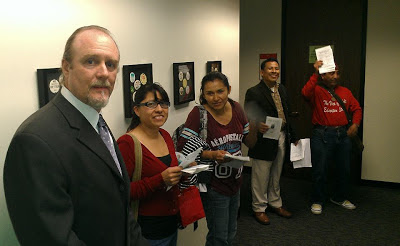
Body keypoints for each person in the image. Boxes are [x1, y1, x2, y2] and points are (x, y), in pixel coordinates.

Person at [3, 25, 148, 245]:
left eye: (111, 64)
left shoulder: (96, 122)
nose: (104, 72)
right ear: (66, 67)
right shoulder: (34, 140)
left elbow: (121, 210)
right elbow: (51, 239)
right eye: (91, 61)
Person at [177, 71, 257, 246]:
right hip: (214, 186)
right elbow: (182, 149)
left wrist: (255, 126)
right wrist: (211, 155)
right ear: (203, 95)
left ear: (228, 90)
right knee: (218, 236)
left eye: (220, 91)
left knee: (231, 232)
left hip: (235, 182)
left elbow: (249, 142)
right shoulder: (199, 114)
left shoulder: (236, 108)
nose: (215, 98)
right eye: (209, 93)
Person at [117, 83, 186, 246]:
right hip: (146, 231)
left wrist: (184, 171)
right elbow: (121, 191)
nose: (159, 109)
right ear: (136, 110)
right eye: (150, 104)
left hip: (170, 223)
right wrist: (160, 179)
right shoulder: (127, 143)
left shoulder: (165, 135)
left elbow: (170, 175)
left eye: (163, 104)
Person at [302, 60, 362, 215]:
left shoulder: (345, 92)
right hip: (321, 134)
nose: (336, 76)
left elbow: (356, 109)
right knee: (320, 169)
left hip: (342, 135)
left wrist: (355, 124)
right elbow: (304, 93)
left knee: (344, 169)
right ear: (323, 75)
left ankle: (339, 197)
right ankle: (317, 200)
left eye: (337, 73)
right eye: (331, 73)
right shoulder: (316, 90)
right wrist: (315, 73)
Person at [244, 58, 298, 225]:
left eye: (276, 68)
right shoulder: (254, 91)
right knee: (261, 174)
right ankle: (259, 208)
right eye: (270, 69)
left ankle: (275, 203)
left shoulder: (282, 89)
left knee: (276, 173)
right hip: (263, 138)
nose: (274, 71)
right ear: (262, 72)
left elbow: (286, 113)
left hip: (281, 135)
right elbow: (249, 114)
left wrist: (293, 135)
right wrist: (257, 124)